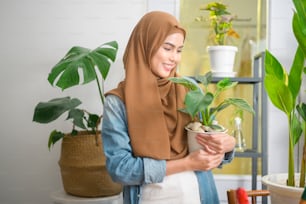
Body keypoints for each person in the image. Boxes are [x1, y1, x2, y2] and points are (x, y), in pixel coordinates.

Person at [102, 11, 235, 204]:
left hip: (199, 196)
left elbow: (209, 140)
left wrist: (227, 144)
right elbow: (120, 169)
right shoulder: (118, 102)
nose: (174, 58)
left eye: (179, 50)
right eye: (167, 48)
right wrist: (186, 164)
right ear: (145, 46)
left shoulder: (189, 88)